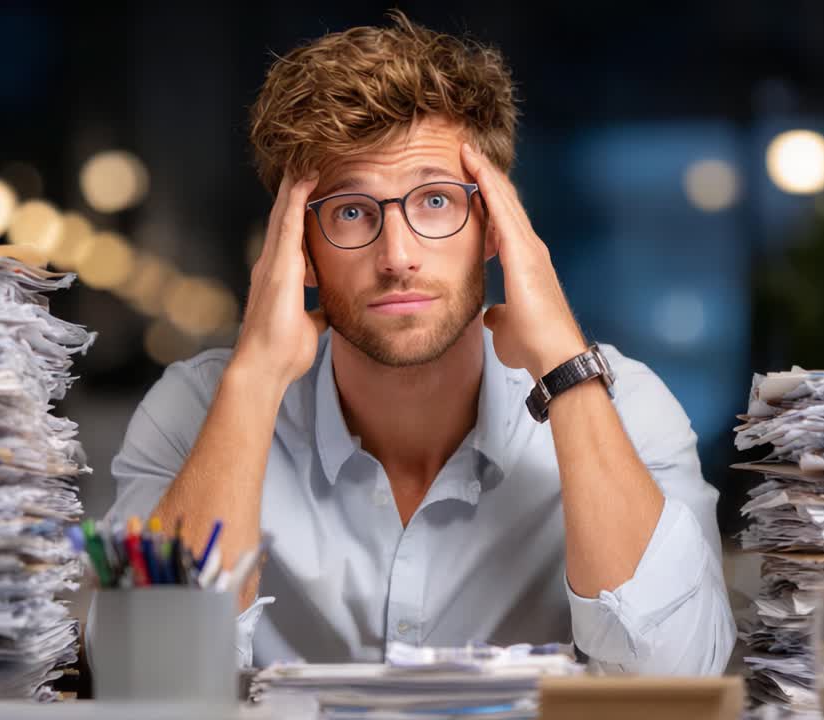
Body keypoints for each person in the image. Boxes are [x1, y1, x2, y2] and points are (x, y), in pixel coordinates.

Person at [105, 10, 735, 674]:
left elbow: (676, 676)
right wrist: (256, 378)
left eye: (436, 202)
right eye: (351, 212)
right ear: (300, 250)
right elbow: (145, 677)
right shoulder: (195, 409)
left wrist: (561, 361)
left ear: (494, 227)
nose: (397, 255)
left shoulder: (625, 408)